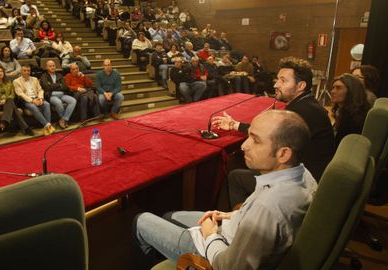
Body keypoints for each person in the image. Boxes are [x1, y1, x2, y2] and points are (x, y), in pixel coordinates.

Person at [134, 110, 317, 269]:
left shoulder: (268, 206)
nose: (244, 145)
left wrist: (210, 235)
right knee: (170, 216)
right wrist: (231, 215)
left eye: (255, 140)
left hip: (215, 254)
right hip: (232, 231)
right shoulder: (302, 173)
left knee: (140, 221)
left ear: (283, 154)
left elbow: (228, 267)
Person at [213, 57, 335, 211]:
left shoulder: (301, 112)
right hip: (306, 174)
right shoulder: (307, 103)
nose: (276, 84)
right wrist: (234, 124)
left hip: (303, 185)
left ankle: (238, 221)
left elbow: (269, 135)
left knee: (236, 174)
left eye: (283, 81)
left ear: (301, 85)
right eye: (277, 79)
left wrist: (235, 125)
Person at [0, 65, 34, 135]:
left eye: (1, 71)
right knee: (12, 105)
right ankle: (25, 128)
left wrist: (6, 100)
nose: (0, 73)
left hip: (9, 102)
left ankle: (5, 121)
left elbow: (12, 94)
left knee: (10, 100)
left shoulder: (8, 82)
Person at [14, 64, 55, 136]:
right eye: (25, 71)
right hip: (26, 101)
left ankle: (47, 128)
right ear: (21, 71)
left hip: (37, 98)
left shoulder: (35, 79)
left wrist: (40, 98)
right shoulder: (16, 81)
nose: (27, 72)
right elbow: (20, 94)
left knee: (47, 104)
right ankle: (48, 125)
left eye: (28, 71)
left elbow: (40, 90)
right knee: (33, 106)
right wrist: (32, 101)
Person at [330, 73, 370, 147]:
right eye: (333, 87)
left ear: (351, 91)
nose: (332, 91)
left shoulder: (355, 119)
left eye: (338, 88)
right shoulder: (343, 112)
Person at [40, 60, 77, 129]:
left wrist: (52, 85)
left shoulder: (59, 75)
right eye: (50, 66)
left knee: (73, 101)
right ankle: (64, 120)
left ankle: (63, 119)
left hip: (61, 94)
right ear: (47, 67)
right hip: (51, 95)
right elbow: (46, 87)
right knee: (58, 102)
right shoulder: (44, 76)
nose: (52, 67)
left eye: (53, 66)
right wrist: (59, 85)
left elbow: (65, 86)